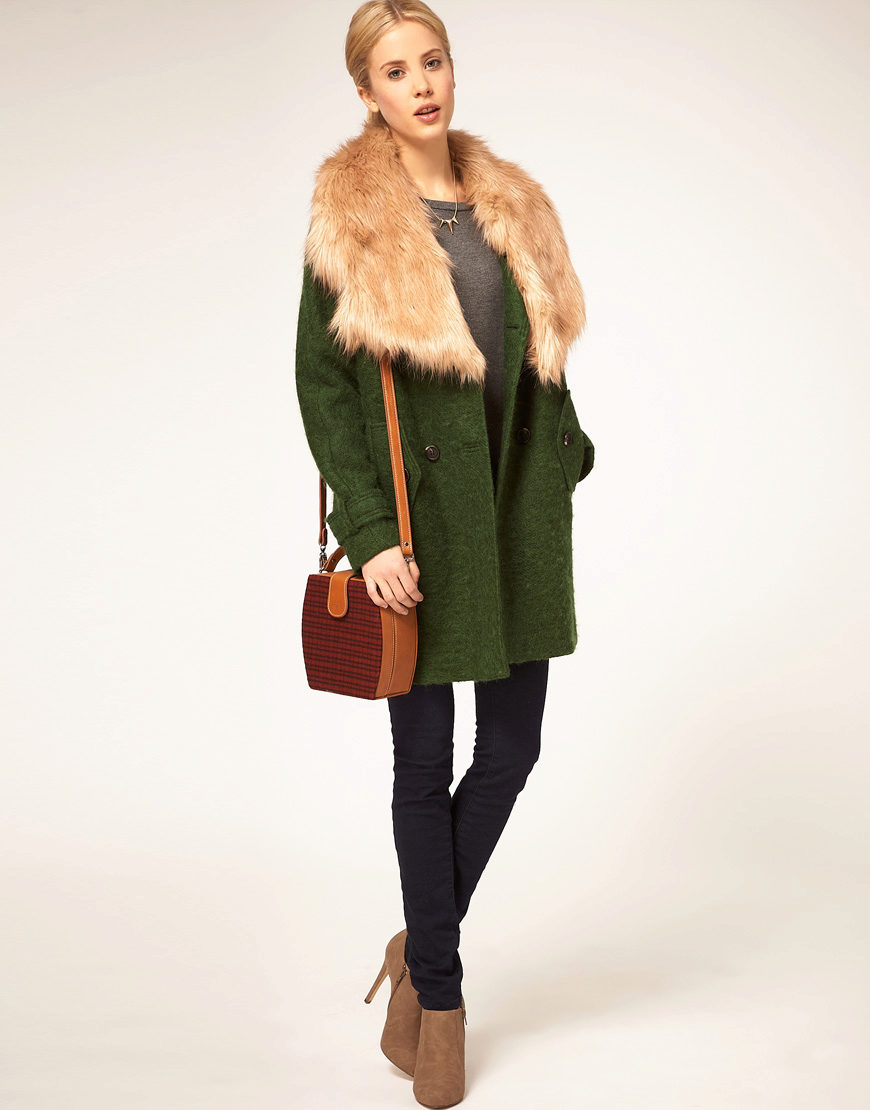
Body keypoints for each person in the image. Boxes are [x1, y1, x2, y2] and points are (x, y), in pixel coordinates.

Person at [295, 3, 595, 1106]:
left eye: (433, 61)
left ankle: (417, 943)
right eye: (395, 70)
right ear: (366, 92)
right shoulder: (352, 217)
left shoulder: (515, 205)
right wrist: (370, 536)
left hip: (514, 515)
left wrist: (570, 451)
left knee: (511, 748)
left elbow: (543, 353)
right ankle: (444, 997)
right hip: (417, 534)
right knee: (422, 765)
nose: (421, 84)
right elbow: (325, 387)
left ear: (452, 72)